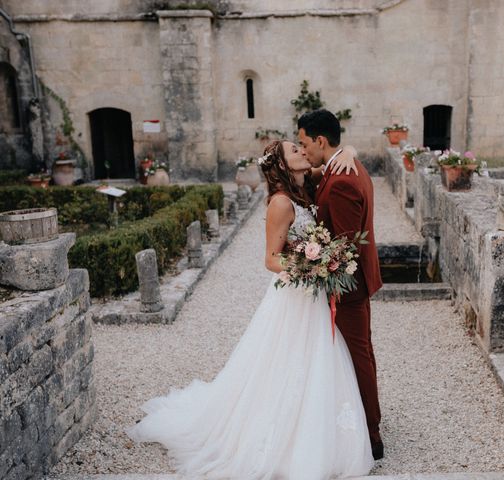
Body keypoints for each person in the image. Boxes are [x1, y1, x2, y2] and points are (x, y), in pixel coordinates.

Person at [127, 140, 374, 479]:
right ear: (283, 166)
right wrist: (312, 264)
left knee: (317, 361)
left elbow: (335, 157)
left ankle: (316, 429)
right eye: (294, 150)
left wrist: (348, 151)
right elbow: (270, 259)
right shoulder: (281, 203)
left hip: (311, 295)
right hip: (295, 293)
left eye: (302, 146)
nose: (303, 151)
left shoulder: (305, 188)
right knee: (285, 366)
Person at [298, 109, 384, 460]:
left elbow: (346, 247)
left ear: (321, 140)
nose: (303, 151)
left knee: (358, 356)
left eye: (304, 144)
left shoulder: (343, 178)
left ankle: (372, 435)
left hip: (346, 288)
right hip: (348, 285)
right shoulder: (341, 166)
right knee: (357, 354)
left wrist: (317, 269)